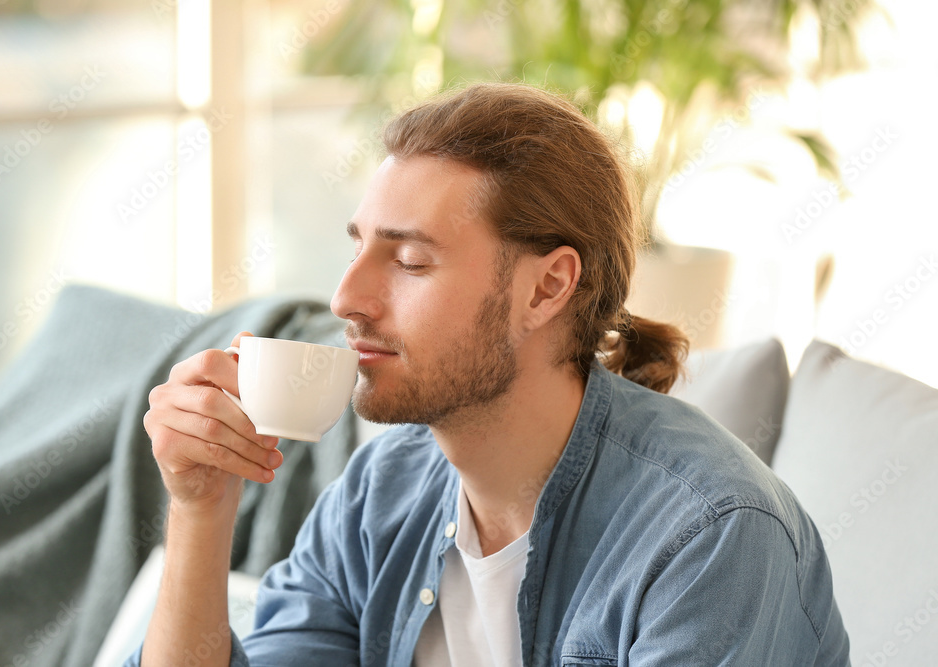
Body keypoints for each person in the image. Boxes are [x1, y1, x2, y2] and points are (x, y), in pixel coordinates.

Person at [131, 83, 850, 666]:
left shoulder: (708, 537)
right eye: (358, 250)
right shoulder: (377, 497)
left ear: (546, 288)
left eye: (410, 261)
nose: (346, 299)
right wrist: (201, 510)